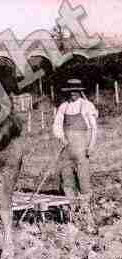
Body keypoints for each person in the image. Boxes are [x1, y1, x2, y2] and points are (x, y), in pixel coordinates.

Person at [52, 78, 98, 234]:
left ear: (80, 91)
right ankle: (72, 215)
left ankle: (88, 217)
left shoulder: (86, 106)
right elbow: (57, 126)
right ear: (67, 92)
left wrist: (90, 146)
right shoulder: (64, 107)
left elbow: (93, 128)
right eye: (70, 91)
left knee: (83, 180)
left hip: (81, 148)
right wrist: (62, 138)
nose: (73, 94)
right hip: (67, 149)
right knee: (67, 180)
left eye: (75, 91)